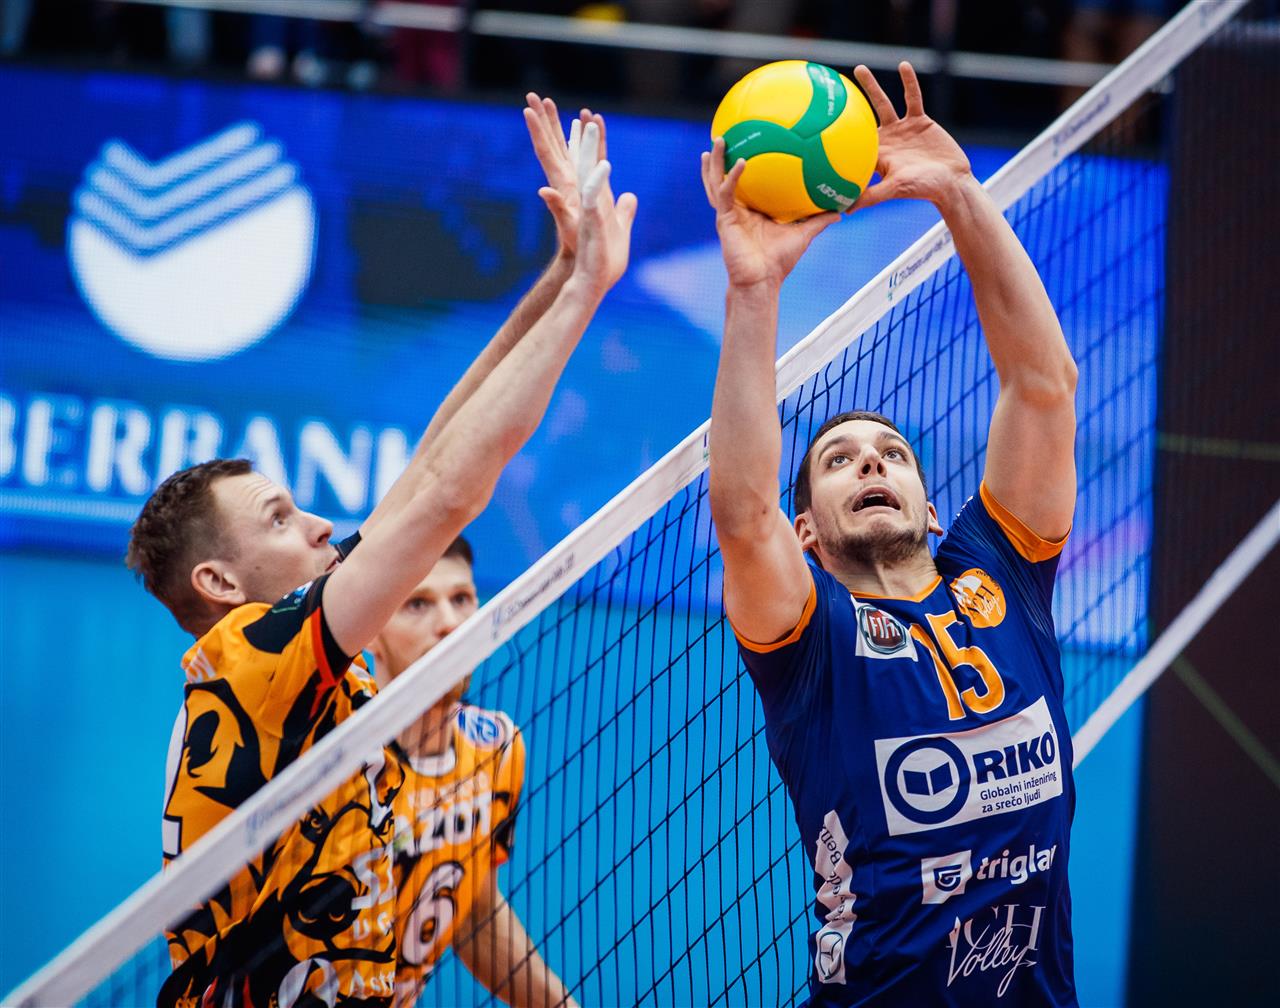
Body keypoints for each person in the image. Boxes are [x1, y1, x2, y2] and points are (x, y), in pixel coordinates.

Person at [131, 95, 635, 1008]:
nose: (323, 525)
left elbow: (435, 456)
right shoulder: (253, 664)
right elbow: (448, 493)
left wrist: (565, 268)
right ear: (220, 581)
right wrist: (589, 293)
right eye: (280, 520)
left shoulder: (309, 661)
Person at [703, 62, 1079, 1005]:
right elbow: (741, 513)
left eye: (893, 454)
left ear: (931, 507)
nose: (871, 463)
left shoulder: (1000, 572)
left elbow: (1042, 388)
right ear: (806, 531)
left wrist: (958, 192)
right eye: (839, 461)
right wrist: (754, 291)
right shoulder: (809, 642)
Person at [368, 537, 577, 1008]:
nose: (449, 623)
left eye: (461, 598)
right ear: (370, 631)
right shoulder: (336, 764)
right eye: (417, 604)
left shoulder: (494, 748)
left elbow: (474, 912)